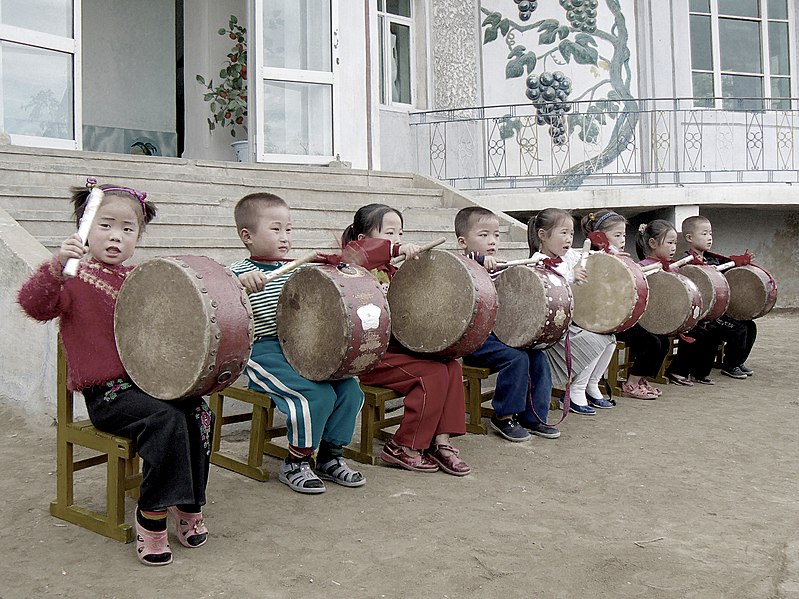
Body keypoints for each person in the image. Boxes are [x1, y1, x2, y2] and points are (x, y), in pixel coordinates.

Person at [18, 180, 211, 567]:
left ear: (139, 236)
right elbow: (34, 305)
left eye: (128, 229)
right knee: (165, 419)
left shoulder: (143, 278)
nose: (115, 236)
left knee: (198, 410)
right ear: (84, 228)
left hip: (149, 384)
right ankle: (152, 515)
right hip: (109, 395)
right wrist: (56, 266)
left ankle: (188, 502)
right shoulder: (71, 277)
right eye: (105, 225)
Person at [229, 192, 366, 494]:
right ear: (247, 236)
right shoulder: (236, 274)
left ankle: (330, 456)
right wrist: (240, 287)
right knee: (314, 397)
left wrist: (339, 269)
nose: (284, 237)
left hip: (302, 346)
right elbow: (217, 302)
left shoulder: (299, 268)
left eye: (288, 229)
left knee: (349, 389)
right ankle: (297, 461)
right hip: (261, 350)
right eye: (275, 229)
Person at [341, 203, 471, 476]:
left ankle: (440, 441)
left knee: (451, 365)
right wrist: (395, 249)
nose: (398, 239)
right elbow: (356, 255)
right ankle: (403, 445)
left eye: (400, 233)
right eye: (390, 232)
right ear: (363, 239)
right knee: (432, 374)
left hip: (398, 351)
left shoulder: (393, 272)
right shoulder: (352, 268)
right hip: (372, 356)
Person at [454, 206, 560, 442]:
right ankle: (503, 416)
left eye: (496, 235)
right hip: (474, 341)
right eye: (483, 235)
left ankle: (533, 417)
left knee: (538, 355)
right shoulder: (462, 266)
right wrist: (481, 260)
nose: (492, 241)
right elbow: (468, 265)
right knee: (517, 358)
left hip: (498, 337)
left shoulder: (498, 267)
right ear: (463, 241)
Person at [529, 208, 617, 415]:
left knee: (610, 338)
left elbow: (589, 257)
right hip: (551, 333)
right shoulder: (536, 261)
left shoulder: (566, 257)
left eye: (571, 233)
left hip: (567, 325)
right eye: (563, 233)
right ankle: (575, 392)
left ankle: (590, 385)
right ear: (542, 235)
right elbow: (551, 285)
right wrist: (571, 275)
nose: (569, 238)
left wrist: (607, 252)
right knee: (597, 340)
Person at [609, 219, 679, 398]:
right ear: (652, 243)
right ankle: (631, 384)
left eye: (674, 243)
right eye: (670, 242)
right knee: (651, 342)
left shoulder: (668, 267)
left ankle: (640, 379)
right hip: (623, 319)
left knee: (662, 341)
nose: (673, 247)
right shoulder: (640, 268)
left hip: (641, 320)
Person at [682, 215, 757, 380]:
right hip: (703, 316)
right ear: (689, 237)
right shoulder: (686, 263)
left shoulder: (713, 260)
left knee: (749, 325)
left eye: (710, 233)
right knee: (738, 328)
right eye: (704, 233)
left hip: (718, 312)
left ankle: (737, 361)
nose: (709, 237)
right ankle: (730, 365)